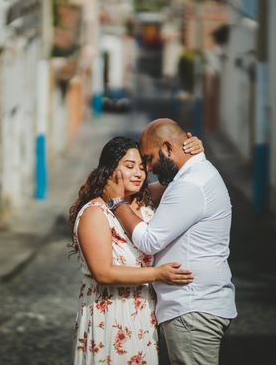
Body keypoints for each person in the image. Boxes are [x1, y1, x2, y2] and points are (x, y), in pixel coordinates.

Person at [105, 119, 237, 365]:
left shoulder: (190, 184)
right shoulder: (195, 176)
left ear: (167, 148)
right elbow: (150, 193)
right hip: (196, 306)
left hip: (192, 308)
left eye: (148, 159)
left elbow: (149, 240)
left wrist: (116, 202)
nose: (147, 168)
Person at [70, 134, 204, 365]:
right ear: (109, 170)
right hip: (109, 316)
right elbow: (103, 273)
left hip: (142, 316)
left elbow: (185, 179)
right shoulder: (95, 213)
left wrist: (196, 152)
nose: (138, 173)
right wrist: (158, 274)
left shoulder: (144, 202)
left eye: (142, 167)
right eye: (129, 166)